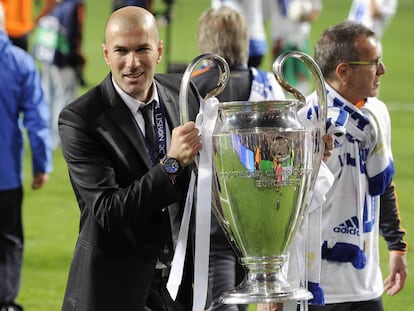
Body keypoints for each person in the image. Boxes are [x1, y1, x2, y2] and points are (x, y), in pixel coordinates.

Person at [58, 6, 203, 311]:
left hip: (179, 288)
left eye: (142, 49)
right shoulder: (81, 119)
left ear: (159, 51)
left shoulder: (183, 93)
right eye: (121, 51)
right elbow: (110, 212)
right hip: (115, 291)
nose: (132, 63)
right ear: (106, 54)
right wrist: (172, 163)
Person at [258, 21, 408, 311]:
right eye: (373, 63)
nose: (382, 70)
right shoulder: (302, 121)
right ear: (343, 71)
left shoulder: (378, 113)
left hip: (365, 285)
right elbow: (276, 208)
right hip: (315, 286)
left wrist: (396, 245)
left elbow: (381, 184)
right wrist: (271, 283)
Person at [192, 6, 286, 311]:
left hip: (213, 214)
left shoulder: (195, 86)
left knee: (221, 302)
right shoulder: (270, 84)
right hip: (260, 214)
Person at [0, 3, 52, 311]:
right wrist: (41, 165)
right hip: (5, 174)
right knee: (8, 241)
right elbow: (36, 119)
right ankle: (5, 303)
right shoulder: (19, 63)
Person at [32, 0, 86, 150]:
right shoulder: (75, 5)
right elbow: (76, 33)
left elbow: (39, 22)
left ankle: (45, 135)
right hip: (63, 58)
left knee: (48, 96)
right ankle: (59, 138)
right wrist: (78, 56)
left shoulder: (52, 3)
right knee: (64, 99)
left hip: (45, 55)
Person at [269, 0, 322, 94]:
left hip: (300, 36)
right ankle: (283, 102)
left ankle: (303, 101)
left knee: (301, 73)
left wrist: (305, 15)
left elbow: (316, 8)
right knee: (279, 73)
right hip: (280, 37)